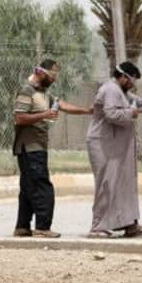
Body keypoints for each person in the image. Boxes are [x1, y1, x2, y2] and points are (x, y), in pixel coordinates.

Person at [86, 61, 142, 238]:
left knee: (126, 184)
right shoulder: (110, 89)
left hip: (118, 145)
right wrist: (130, 114)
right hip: (104, 144)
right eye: (132, 81)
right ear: (124, 77)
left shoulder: (122, 93)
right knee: (107, 184)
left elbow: (141, 103)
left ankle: (129, 223)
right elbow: (111, 114)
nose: (133, 85)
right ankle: (97, 226)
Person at [12, 59, 92, 238]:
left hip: (37, 147)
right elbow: (19, 118)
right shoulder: (27, 91)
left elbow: (62, 105)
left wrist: (87, 111)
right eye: (52, 75)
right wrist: (44, 114)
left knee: (28, 188)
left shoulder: (44, 93)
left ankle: (22, 227)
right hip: (30, 147)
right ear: (40, 72)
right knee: (42, 187)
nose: (54, 79)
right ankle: (42, 227)